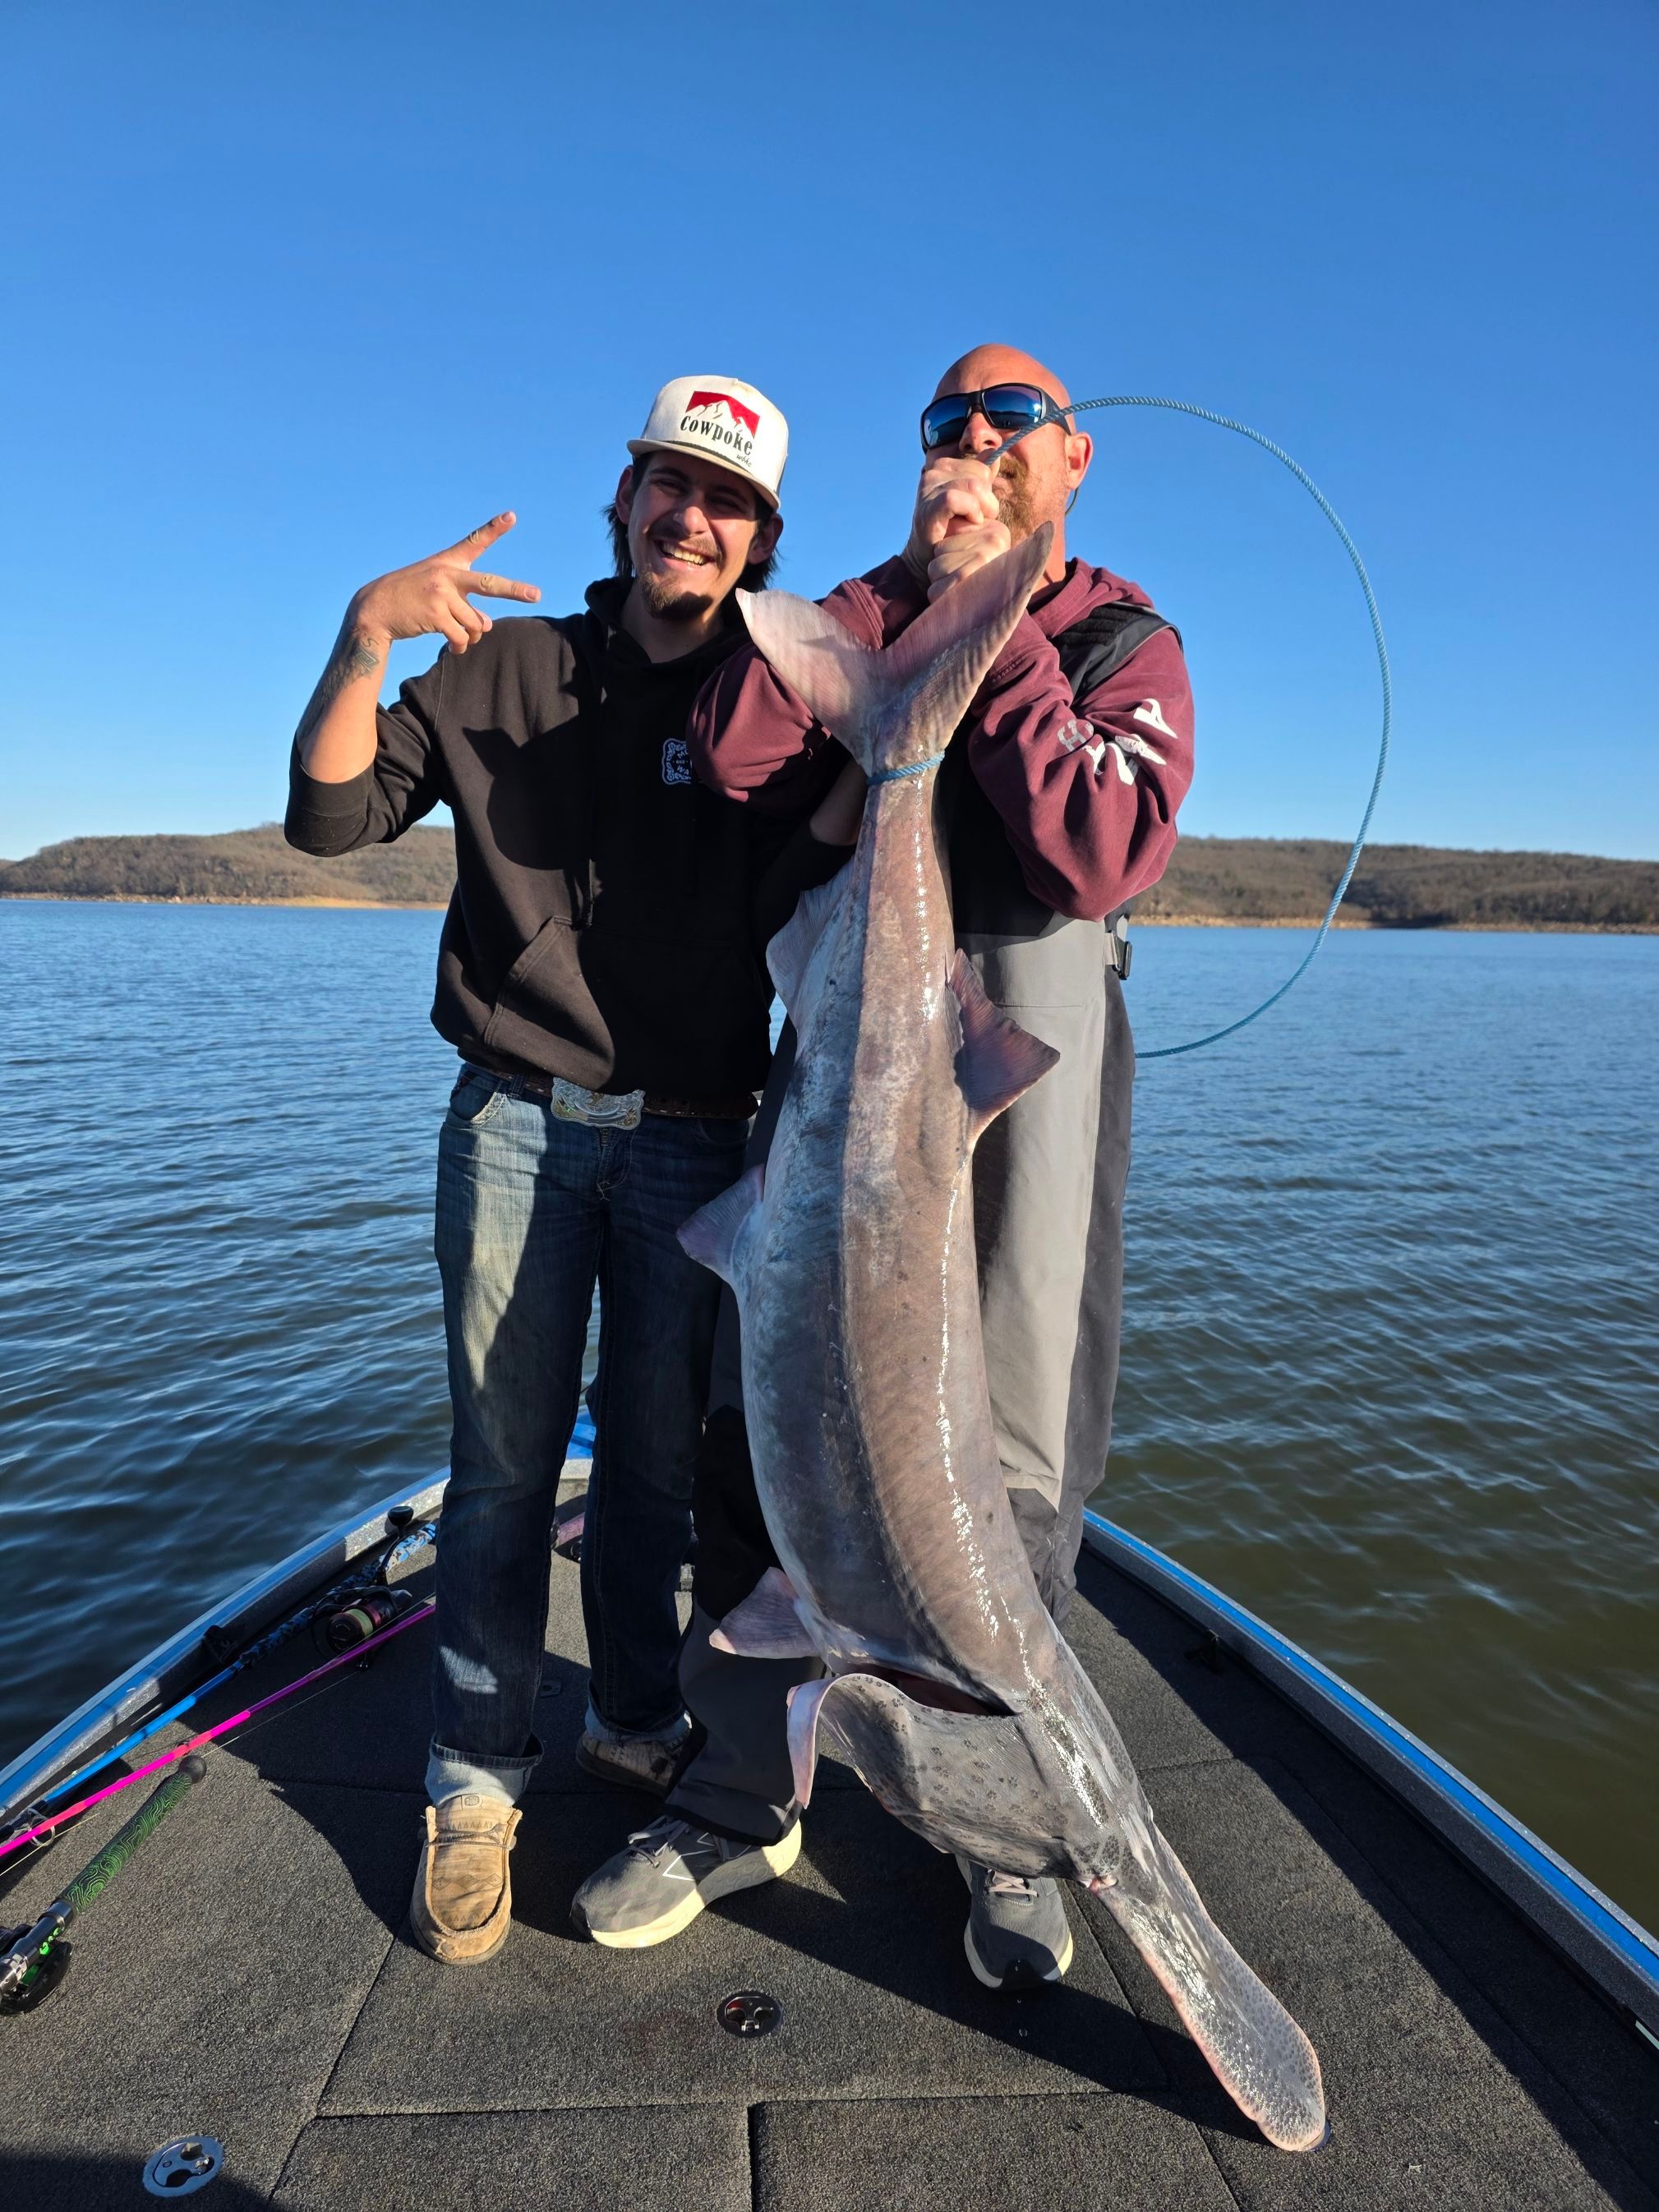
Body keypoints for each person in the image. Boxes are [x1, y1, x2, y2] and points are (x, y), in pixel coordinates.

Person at [572, 344, 1195, 1992]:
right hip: (846, 1056)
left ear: (1072, 459)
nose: (975, 442)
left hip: (1024, 1080)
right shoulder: (863, 616)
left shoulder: (1125, 645)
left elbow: (1094, 849)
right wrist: (902, 598)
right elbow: (731, 752)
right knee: (757, 1419)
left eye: (1012, 421)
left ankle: (1001, 1841)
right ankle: (737, 1792)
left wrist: (997, 625)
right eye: (946, 423)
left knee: (1012, 1462)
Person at [283, 376, 846, 1966]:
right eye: (672, 483)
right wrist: (364, 634)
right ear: (627, 496)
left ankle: (636, 1716)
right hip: (514, 1120)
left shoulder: (778, 701)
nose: (692, 517)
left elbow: (818, 889)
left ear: (760, 539)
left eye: (727, 501)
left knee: (660, 1470)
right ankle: (475, 1777)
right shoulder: (500, 663)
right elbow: (328, 821)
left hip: (699, 1136)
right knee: (504, 1469)